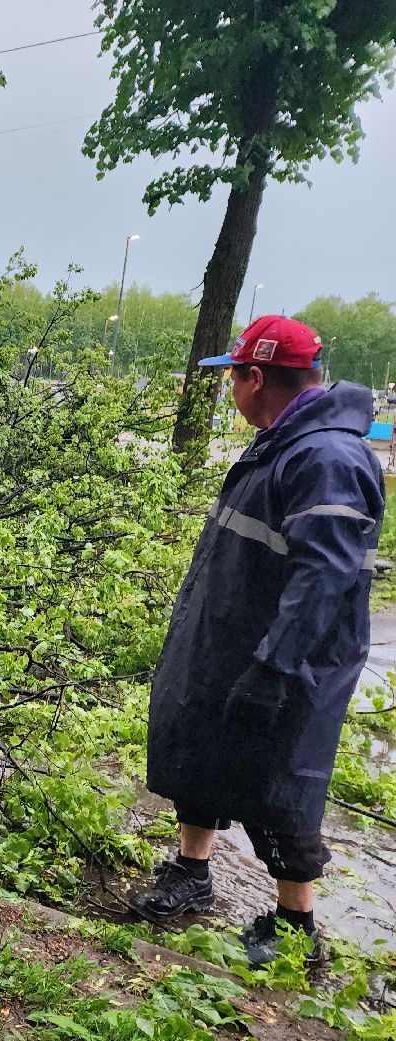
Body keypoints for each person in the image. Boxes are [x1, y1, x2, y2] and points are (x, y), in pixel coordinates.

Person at [133, 315, 385, 966]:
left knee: (281, 778)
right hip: (230, 642)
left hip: (287, 660)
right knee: (202, 749)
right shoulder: (283, 439)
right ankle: (193, 873)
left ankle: (295, 928)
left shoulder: (326, 457)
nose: (232, 394)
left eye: (233, 379)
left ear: (253, 378)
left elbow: (323, 574)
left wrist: (273, 668)